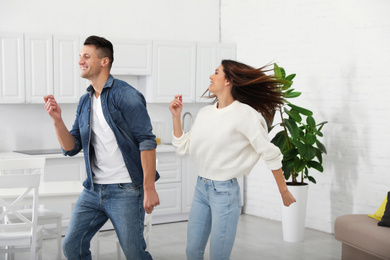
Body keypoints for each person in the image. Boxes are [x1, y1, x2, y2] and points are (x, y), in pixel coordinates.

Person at [44, 35, 159, 260]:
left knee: (135, 253)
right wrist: (57, 120)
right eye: (80, 56)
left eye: (86, 56)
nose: (80, 61)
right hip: (93, 190)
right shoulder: (85, 101)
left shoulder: (126, 96)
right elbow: (71, 147)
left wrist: (149, 188)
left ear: (104, 61)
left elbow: (147, 141)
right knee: (71, 246)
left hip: (125, 190)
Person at [169, 60, 296, 260]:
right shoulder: (205, 113)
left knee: (219, 256)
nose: (211, 76)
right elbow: (183, 146)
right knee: (192, 252)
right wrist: (176, 117)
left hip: (225, 193)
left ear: (228, 81)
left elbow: (270, 153)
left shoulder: (245, 115)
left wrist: (284, 190)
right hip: (201, 188)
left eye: (216, 72)